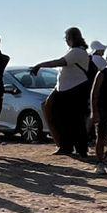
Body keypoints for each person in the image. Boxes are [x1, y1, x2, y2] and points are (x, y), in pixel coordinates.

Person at [30, 28, 97, 157]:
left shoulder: (78, 52)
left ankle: (80, 149)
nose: (66, 40)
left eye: (67, 37)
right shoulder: (73, 51)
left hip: (75, 89)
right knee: (60, 117)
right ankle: (65, 145)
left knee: (76, 120)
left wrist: (40, 65)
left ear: (72, 38)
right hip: (63, 89)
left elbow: (60, 62)